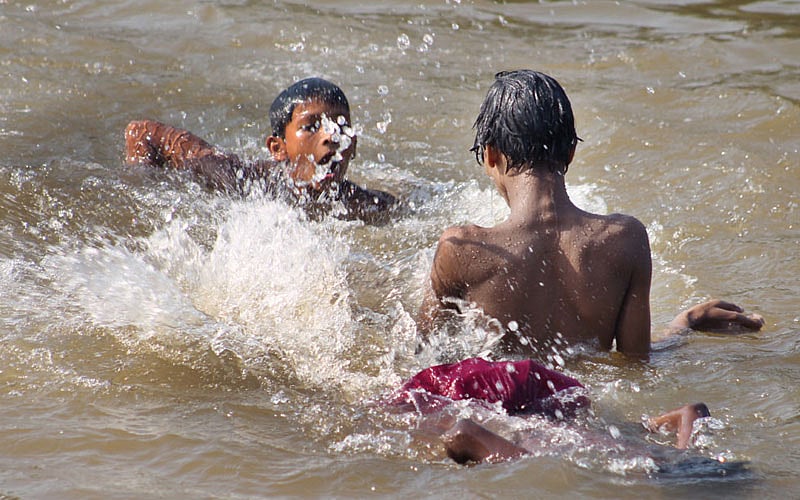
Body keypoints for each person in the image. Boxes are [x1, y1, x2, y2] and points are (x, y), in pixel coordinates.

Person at [418, 70, 763, 357]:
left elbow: (423, 355)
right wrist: (684, 324)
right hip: (583, 414)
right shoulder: (625, 240)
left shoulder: (462, 249)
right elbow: (634, 366)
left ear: (490, 155)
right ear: (570, 153)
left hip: (500, 419)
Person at [124, 77, 397, 224]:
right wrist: (144, 185)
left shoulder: (364, 204)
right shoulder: (244, 180)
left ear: (354, 144)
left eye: (340, 125)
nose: (330, 136)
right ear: (278, 148)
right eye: (312, 126)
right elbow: (141, 131)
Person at [389, 356, 713, 464]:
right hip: (532, 387)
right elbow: (463, 432)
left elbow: (694, 411)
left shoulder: (637, 453)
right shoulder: (645, 461)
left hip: (539, 386)